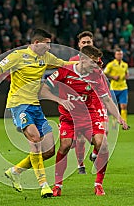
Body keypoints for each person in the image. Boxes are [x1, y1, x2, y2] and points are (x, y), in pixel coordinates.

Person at [0, 29, 76, 198]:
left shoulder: (46, 58)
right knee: (35, 139)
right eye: (47, 44)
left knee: (49, 150)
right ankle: (43, 185)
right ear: (36, 43)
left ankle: (15, 171)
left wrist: (86, 64)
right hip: (19, 105)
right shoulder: (17, 56)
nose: (49, 48)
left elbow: (64, 64)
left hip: (35, 106)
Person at [40, 45, 129, 196]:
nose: (94, 65)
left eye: (96, 62)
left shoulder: (95, 75)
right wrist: (59, 100)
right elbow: (43, 89)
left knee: (103, 145)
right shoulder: (65, 70)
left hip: (90, 117)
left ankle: (98, 184)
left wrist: (119, 117)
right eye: (92, 62)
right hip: (69, 118)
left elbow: (106, 100)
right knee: (65, 146)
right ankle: (58, 186)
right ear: (81, 59)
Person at [69, 31, 104, 174]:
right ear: (78, 45)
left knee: (103, 131)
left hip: (96, 100)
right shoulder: (73, 60)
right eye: (83, 42)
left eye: (88, 42)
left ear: (92, 43)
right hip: (80, 102)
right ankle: (80, 164)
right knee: (81, 137)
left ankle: (95, 153)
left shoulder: (98, 60)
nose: (86, 44)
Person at [104, 48, 129, 123]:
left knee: (123, 106)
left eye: (121, 54)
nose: (119, 56)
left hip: (123, 87)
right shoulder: (111, 64)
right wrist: (112, 77)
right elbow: (104, 73)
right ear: (115, 55)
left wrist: (126, 76)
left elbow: (126, 73)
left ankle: (124, 121)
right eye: (118, 54)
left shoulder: (125, 65)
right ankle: (115, 122)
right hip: (113, 88)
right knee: (114, 106)